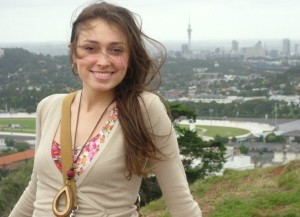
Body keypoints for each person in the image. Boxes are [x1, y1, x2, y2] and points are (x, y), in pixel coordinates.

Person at [9, 1, 202, 217]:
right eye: (90, 48)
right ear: (73, 52)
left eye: (116, 50)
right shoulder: (49, 107)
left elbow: (180, 200)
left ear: (130, 56)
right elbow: (36, 189)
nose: (103, 61)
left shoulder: (143, 108)